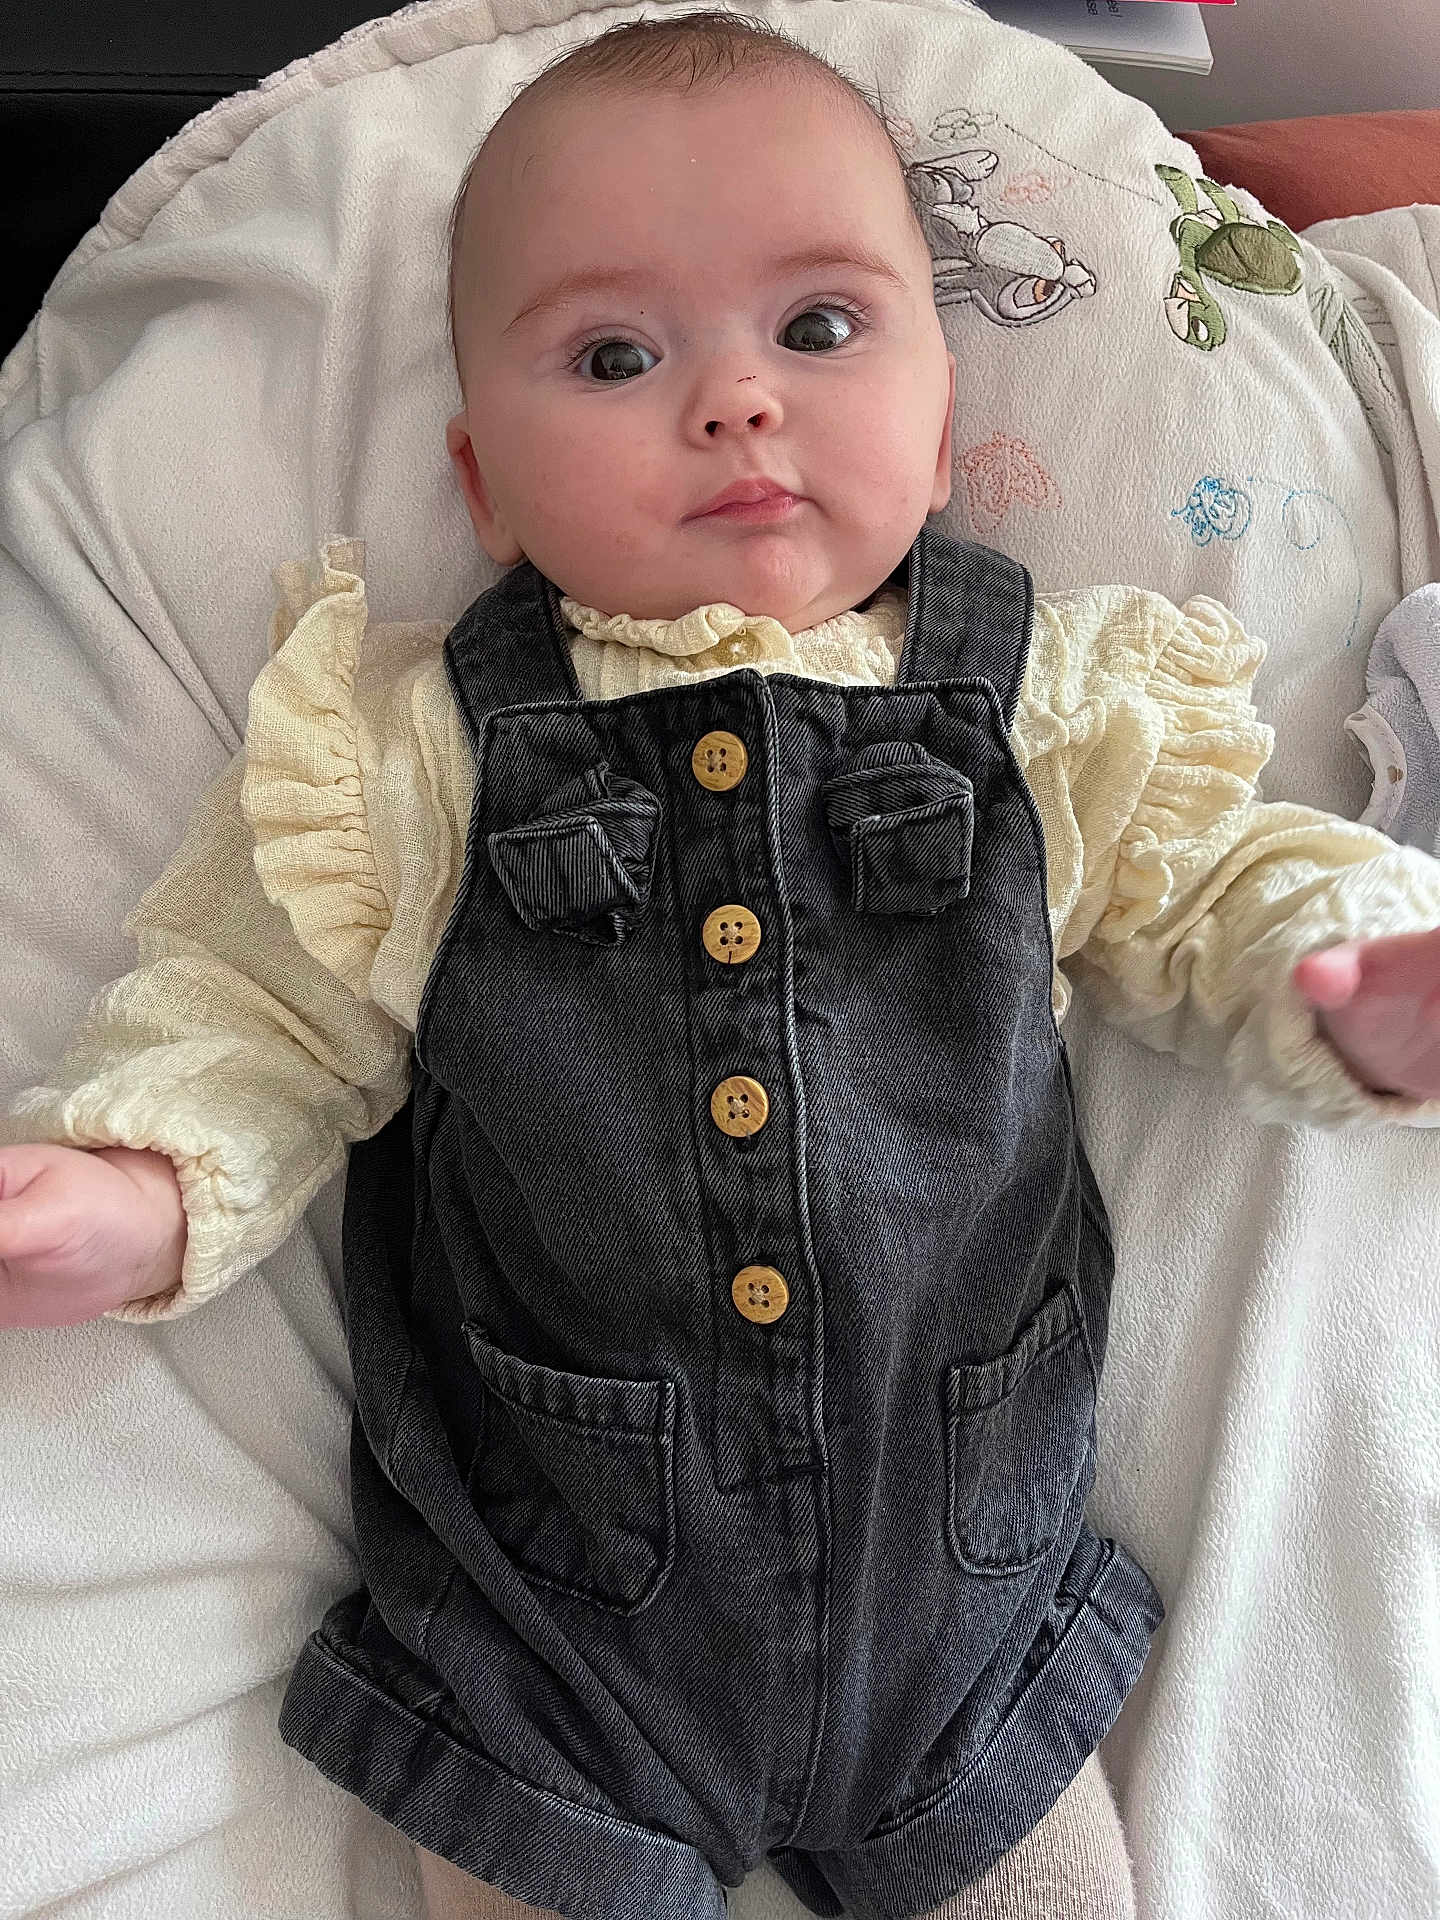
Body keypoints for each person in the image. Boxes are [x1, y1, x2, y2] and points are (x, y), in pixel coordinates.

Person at [4, 12, 1440, 1919]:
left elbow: (1213, 893)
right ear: (487, 483)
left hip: (966, 1601)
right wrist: (142, 1178)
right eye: (614, 356)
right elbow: (258, 1011)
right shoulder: (419, 749)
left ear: (940, 427)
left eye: (821, 330)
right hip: (553, 1631)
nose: (735, 403)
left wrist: (1352, 979)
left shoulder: (1050, 701)